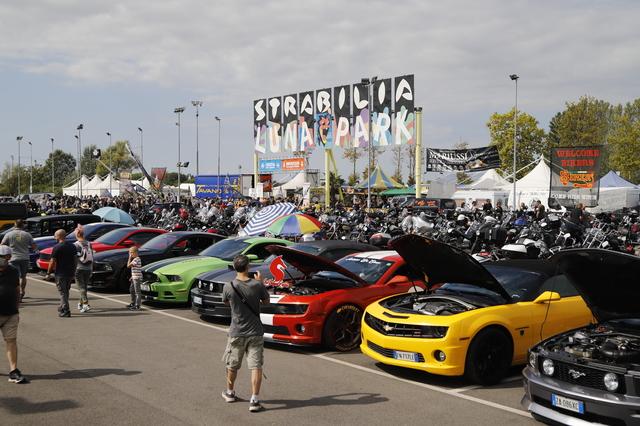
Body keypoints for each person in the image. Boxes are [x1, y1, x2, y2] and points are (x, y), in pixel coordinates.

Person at [221, 254, 270, 412]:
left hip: (236, 332)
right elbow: (266, 302)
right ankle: (254, 400)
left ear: (235, 268)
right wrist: (261, 283)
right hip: (255, 332)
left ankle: (230, 393)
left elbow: (226, 302)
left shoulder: (228, 286)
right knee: (256, 366)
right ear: (248, 267)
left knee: (232, 364)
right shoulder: (257, 285)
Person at [0, 246, 26, 383]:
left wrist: (16, 308)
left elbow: (16, 289)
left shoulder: (13, 271)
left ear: (9, 258)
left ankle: (13, 371)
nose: (1, 260)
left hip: (11, 314)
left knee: (11, 341)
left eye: (3, 257)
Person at [1, 219, 37, 301]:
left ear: (14, 225)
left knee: (14, 276)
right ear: (23, 225)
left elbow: (2, 245)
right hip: (25, 258)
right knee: (23, 276)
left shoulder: (9, 234)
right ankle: (21, 292)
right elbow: (34, 246)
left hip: (13, 258)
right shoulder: (27, 234)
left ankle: (15, 294)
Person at [47, 229, 77, 318]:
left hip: (61, 273)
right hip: (70, 273)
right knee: (66, 291)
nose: (54, 237)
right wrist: (74, 271)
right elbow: (75, 259)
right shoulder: (72, 246)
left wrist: (48, 273)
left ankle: (66, 310)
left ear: (59, 236)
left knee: (62, 292)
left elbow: (52, 261)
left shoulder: (57, 247)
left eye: (55, 236)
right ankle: (62, 306)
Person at [73, 226, 93, 313]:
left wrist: (73, 269)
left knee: (81, 287)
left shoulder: (75, 245)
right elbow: (92, 256)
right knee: (84, 287)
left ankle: (85, 304)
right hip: (88, 268)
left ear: (77, 234)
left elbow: (74, 258)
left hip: (79, 268)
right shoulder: (89, 243)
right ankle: (80, 304)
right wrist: (91, 268)